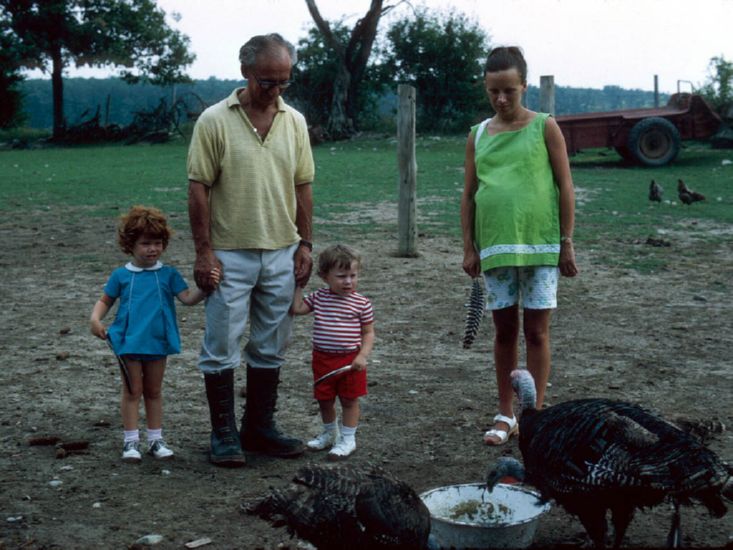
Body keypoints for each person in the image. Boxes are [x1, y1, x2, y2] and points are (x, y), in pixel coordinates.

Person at [187, 33, 315, 467]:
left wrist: (305, 243)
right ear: (245, 73)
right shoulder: (213, 121)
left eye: (284, 81)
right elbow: (198, 187)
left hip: (282, 250)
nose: (275, 90)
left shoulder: (294, 121)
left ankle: (259, 427)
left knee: (272, 342)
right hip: (229, 253)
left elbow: (303, 185)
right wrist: (204, 252)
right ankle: (223, 432)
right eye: (267, 81)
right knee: (221, 342)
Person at [460, 46, 578, 446]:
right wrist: (469, 248)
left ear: (524, 86)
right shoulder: (477, 135)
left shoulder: (545, 126)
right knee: (504, 331)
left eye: (509, 90)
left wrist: (566, 242)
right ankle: (505, 412)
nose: (501, 99)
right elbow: (469, 195)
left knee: (538, 332)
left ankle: (535, 416)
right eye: (494, 91)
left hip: (541, 247)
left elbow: (565, 186)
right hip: (494, 249)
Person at [90, 205, 217, 462]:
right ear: (130, 244)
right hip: (128, 341)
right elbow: (105, 301)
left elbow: (188, 298)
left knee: (154, 391)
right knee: (132, 390)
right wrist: (95, 319)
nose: (153, 249)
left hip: (158, 341)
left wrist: (207, 286)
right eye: (146, 243)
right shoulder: (121, 275)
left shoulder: (168, 274)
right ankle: (130, 442)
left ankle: (156, 439)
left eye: (158, 243)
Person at [291, 245, 374, 460]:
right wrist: (299, 285)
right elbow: (297, 309)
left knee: (349, 399)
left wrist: (362, 355)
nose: (348, 282)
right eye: (341, 276)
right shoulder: (319, 297)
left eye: (353, 276)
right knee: (325, 399)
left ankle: (348, 439)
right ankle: (330, 433)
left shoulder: (362, 303)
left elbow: (368, 333)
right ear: (324, 276)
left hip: (350, 361)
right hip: (322, 358)